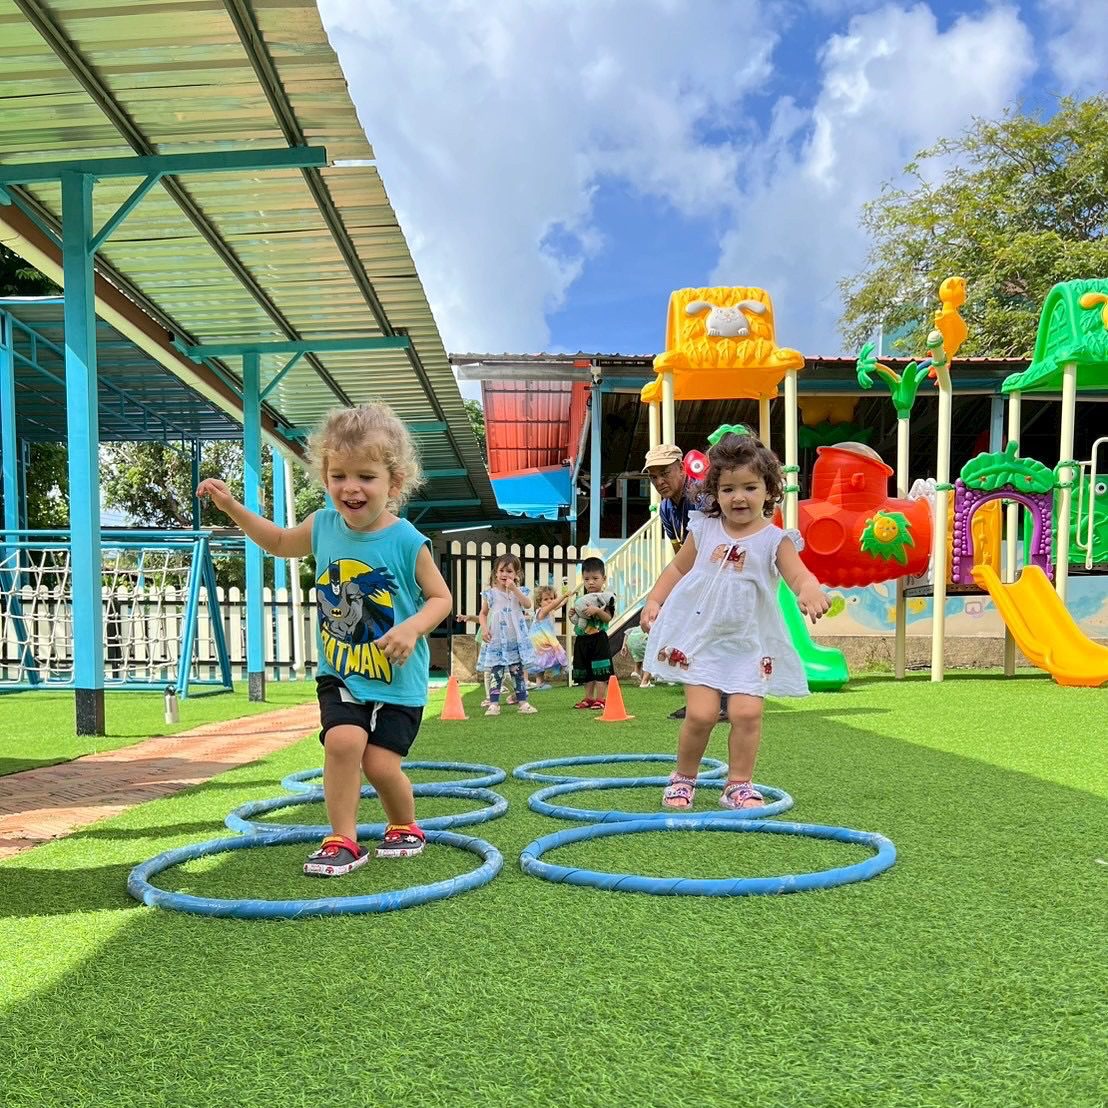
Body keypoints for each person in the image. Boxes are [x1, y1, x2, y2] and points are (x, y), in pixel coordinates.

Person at [197, 402, 452, 877]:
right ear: (326, 477)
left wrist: (412, 627)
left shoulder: (405, 540)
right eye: (339, 476)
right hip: (341, 672)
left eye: (366, 476)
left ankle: (406, 824)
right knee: (341, 742)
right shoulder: (322, 526)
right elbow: (276, 542)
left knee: (379, 765)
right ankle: (343, 839)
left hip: (397, 681)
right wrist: (232, 507)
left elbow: (441, 598)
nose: (350, 487)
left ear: (393, 484)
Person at [640, 431, 829, 810]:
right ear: (715, 493)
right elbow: (678, 566)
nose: (738, 497)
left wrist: (809, 589)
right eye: (727, 489)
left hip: (747, 643)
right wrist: (655, 599)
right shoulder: (704, 527)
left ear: (769, 490)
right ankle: (683, 778)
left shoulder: (776, 539)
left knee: (747, 712)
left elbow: (797, 575)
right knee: (702, 713)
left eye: (749, 487)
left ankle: (738, 784)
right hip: (702, 640)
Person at [643, 442, 727, 722]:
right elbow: (681, 552)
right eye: (653, 477)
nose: (659, 482)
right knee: (690, 636)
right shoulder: (666, 508)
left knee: (714, 638)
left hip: (723, 575)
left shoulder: (702, 496)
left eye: (664, 473)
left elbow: (718, 539)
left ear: (681, 468)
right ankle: (701, 702)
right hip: (698, 578)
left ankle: (723, 701)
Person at [477, 554, 538, 716]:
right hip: (497, 639)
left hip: (515, 639)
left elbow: (527, 604)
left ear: (516, 574)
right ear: (495, 573)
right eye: (501, 570)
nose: (505, 574)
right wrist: (484, 629)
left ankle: (523, 703)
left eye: (509, 571)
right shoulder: (490, 594)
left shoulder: (519, 592)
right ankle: (494, 704)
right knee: (496, 671)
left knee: (517, 672)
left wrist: (514, 589)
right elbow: (483, 614)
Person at [570, 556, 616, 708]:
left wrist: (597, 610)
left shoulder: (606, 599)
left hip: (598, 639)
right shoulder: (581, 600)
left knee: (600, 669)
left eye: (595, 578)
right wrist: (572, 616)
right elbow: (578, 622)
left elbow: (608, 618)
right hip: (582, 640)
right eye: (587, 579)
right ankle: (588, 698)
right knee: (586, 670)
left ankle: (601, 699)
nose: (591, 582)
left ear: (604, 579)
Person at [528, 584, 572, 688]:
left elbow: (559, 604)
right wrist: (563, 595)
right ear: (539, 602)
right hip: (540, 640)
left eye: (551, 598)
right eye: (546, 599)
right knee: (556, 650)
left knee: (541, 661)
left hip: (542, 639)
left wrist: (568, 597)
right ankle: (565, 667)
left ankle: (540, 683)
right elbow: (555, 604)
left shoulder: (549, 610)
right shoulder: (542, 611)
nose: (549, 601)